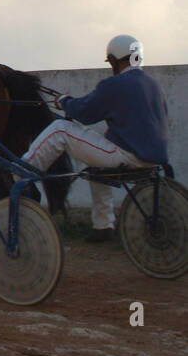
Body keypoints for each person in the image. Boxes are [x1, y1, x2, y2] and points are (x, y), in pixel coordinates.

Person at [20, 35, 170, 242]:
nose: (111, 67)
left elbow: (85, 113)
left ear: (115, 59)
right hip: (154, 159)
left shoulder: (116, 84)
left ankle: (20, 172)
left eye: (111, 62)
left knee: (60, 129)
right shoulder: (154, 85)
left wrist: (64, 101)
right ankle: (102, 226)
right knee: (96, 170)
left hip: (128, 156)